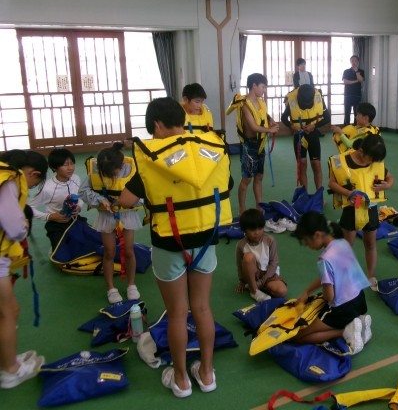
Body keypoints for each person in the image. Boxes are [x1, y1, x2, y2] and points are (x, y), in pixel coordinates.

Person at [118, 97, 232, 398]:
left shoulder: (152, 158)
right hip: (206, 238)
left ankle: (181, 379)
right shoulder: (210, 149)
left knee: (178, 313)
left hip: (169, 242)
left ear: (157, 124)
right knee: (203, 308)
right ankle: (206, 373)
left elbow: (126, 201)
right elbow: (228, 185)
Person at [291, 211, 371, 354]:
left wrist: (320, 294)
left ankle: (344, 330)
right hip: (359, 300)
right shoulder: (343, 243)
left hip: (341, 310)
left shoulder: (324, 259)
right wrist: (307, 291)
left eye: (307, 241)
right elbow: (331, 277)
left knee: (298, 336)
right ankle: (356, 322)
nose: (308, 246)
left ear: (317, 235)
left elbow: (330, 297)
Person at [0, 149, 47, 389]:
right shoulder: (9, 181)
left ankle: (7, 359)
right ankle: (10, 372)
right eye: (34, 183)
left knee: (11, 310)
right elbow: (14, 227)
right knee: (7, 313)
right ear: (32, 174)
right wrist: (24, 225)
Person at [328, 134, 394, 290]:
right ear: (361, 150)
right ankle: (345, 274)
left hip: (371, 208)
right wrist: (348, 193)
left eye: (375, 160)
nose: (372, 163)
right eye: (370, 159)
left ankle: (371, 275)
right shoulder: (340, 161)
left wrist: (387, 185)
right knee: (347, 244)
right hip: (351, 209)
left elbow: (390, 178)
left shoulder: (376, 161)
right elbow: (331, 183)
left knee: (370, 243)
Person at [79, 142, 142, 304]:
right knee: (109, 252)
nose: (112, 174)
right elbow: (83, 191)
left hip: (127, 215)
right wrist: (100, 199)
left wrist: (127, 201)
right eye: (107, 172)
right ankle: (111, 288)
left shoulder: (132, 169)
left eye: (114, 171)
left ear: (121, 165)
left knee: (129, 251)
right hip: (106, 216)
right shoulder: (96, 171)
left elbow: (143, 192)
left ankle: (131, 284)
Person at [226, 73, 279, 217]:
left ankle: (259, 206)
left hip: (260, 144)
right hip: (248, 146)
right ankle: (242, 208)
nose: (264, 90)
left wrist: (271, 120)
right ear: (254, 85)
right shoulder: (244, 105)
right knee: (247, 179)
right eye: (263, 87)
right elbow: (253, 126)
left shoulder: (260, 102)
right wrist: (269, 130)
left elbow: (263, 115)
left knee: (259, 176)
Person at [28, 148, 84, 249]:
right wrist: (49, 217)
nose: (70, 168)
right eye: (65, 165)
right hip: (56, 225)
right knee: (62, 251)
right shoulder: (47, 188)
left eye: (72, 163)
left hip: (75, 220)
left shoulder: (76, 178)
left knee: (89, 244)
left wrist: (79, 206)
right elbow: (29, 208)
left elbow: (80, 196)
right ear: (54, 167)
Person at [281, 84, 330, 191]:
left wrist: (314, 126)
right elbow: (283, 118)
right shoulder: (292, 99)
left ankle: (319, 195)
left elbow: (327, 118)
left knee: (316, 164)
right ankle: (304, 194)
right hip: (299, 136)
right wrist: (292, 126)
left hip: (313, 134)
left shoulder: (318, 97)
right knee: (302, 165)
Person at [235, 209, 287, 303]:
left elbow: (274, 263)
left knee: (282, 291)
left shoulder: (270, 240)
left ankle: (255, 286)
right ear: (245, 230)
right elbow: (239, 264)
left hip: (268, 275)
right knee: (248, 257)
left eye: (260, 228)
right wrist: (241, 281)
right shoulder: (241, 245)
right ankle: (254, 291)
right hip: (252, 275)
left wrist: (261, 282)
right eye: (252, 229)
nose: (257, 232)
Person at [342, 55, 365, 126]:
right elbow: (345, 82)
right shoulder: (346, 71)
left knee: (357, 113)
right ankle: (346, 127)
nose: (354, 62)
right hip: (348, 95)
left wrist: (356, 72)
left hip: (357, 95)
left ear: (358, 62)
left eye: (355, 61)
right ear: (350, 62)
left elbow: (361, 80)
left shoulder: (361, 71)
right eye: (352, 61)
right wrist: (355, 81)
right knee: (347, 112)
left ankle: (356, 127)